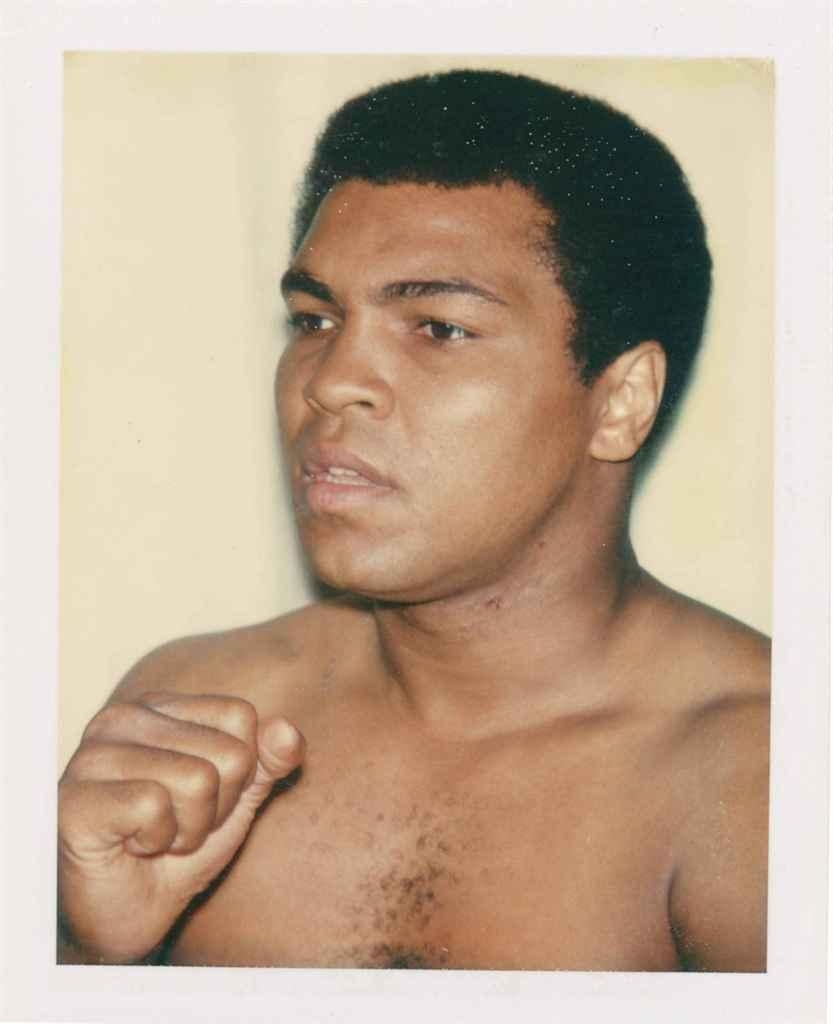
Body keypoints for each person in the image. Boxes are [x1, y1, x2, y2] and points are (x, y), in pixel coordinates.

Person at [57, 69, 769, 971]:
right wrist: (84, 955)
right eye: (314, 320)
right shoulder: (198, 718)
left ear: (621, 400)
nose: (329, 382)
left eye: (437, 328)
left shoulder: (760, 775)